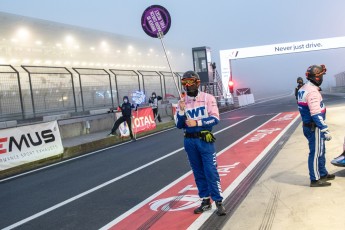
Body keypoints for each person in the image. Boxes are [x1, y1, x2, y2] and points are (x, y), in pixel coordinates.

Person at [175, 70, 226, 216]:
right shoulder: (182, 101)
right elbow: (179, 125)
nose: (188, 85)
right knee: (198, 172)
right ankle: (205, 201)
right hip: (189, 141)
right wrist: (181, 111)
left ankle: (219, 201)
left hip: (204, 139)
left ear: (197, 83)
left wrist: (197, 122)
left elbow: (215, 119)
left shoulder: (208, 98)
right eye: (185, 82)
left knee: (210, 170)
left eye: (191, 82)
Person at [297, 64, 335, 187]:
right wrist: (325, 129)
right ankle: (315, 179)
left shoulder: (304, 88)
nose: (322, 77)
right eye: (321, 75)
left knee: (321, 150)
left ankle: (322, 173)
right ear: (317, 77)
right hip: (315, 127)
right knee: (316, 153)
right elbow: (315, 113)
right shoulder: (312, 92)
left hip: (309, 125)